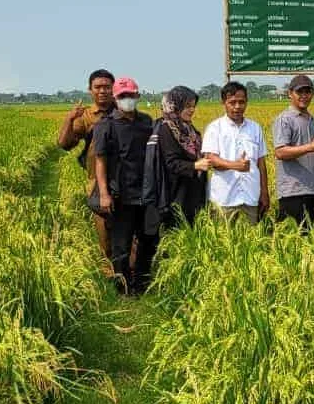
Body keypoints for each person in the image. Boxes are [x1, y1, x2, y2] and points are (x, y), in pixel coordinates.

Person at [92, 76, 157, 294]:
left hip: (145, 192)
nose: (127, 99)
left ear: (137, 96)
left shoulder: (147, 122)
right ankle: (122, 287)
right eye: (123, 96)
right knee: (121, 243)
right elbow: (100, 160)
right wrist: (104, 193)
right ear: (115, 98)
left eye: (131, 95)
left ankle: (142, 283)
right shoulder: (106, 126)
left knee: (148, 239)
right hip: (120, 193)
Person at [56, 68, 115, 265]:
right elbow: (65, 144)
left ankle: (130, 279)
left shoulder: (124, 112)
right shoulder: (87, 117)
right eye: (98, 87)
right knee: (104, 236)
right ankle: (110, 279)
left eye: (107, 87)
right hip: (97, 184)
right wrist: (70, 118)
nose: (103, 91)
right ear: (90, 90)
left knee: (130, 234)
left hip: (126, 181)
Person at [201, 81, 269, 225]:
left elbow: (261, 163)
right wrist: (235, 165)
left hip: (251, 197)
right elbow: (210, 159)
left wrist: (264, 192)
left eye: (241, 102)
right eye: (232, 102)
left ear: (246, 102)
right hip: (224, 199)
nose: (237, 107)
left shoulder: (255, 128)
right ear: (223, 102)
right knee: (222, 243)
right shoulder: (215, 128)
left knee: (251, 242)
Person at [272, 75, 314, 228]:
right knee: (293, 241)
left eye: (307, 92)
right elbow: (280, 152)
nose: (304, 96)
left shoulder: (311, 120)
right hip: (293, 191)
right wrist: (311, 147)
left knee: (312, 239)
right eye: (299, 92)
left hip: (313, 189)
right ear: (290, 93)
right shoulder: (285, 119)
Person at [155, 86, 210, 227]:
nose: (192, 110)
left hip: (194, 191)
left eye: (193, 106)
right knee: (176, 234)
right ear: (175, 106)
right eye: (187, 106)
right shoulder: (166, 129)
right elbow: (171, 163)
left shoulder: (190, 129)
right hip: (176, 193)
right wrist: (195, 165)